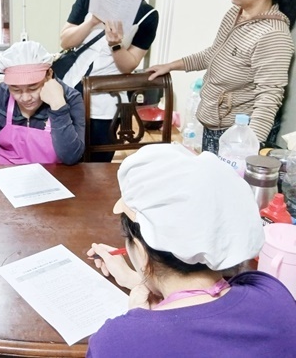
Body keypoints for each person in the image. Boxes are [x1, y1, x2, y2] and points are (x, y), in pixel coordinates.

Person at [85, 144, 296, 357]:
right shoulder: (272, 295)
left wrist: (136, 317)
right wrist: (136, 280)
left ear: (142, 251)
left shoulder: (115, 343)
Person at [147, 0, 296, 153]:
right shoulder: (235, 14)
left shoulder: (273, 35)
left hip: (237, 134)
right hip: (215, 123)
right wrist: (171, 66)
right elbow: (214, 54)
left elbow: (268, 99)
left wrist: (245, 149)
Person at [59, 0, 163, 162]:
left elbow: (129, 66)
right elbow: (65, 41)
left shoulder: (148, 15)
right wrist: (91, 22)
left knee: (97, 167)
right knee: (62, 159)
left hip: (105, 103)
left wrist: (116, 44)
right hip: (68, 91)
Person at [0, 41, 84, 170]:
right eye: (15, 90)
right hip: (7, 174)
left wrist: (58, 106)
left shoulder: (71, 98)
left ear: (49, 74)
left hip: (54, 175)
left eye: (33, 88)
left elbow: (71, 157)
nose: (25, 98)